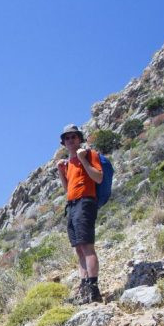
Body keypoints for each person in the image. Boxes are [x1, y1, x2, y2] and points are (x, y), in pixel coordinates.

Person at [56, 124, 103, 304]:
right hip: (73, 204)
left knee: (87, 246)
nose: (70, 140)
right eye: (67, 138)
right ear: (63, 142)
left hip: (85, 202)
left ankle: (93, 289)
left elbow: (98, 177)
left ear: (80, 138)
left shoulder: (90, 155)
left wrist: (83, 159)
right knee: (78, 249)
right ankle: (84, 289)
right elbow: (68, 189)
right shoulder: (69, 163)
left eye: (73, 137)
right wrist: (62, 172)